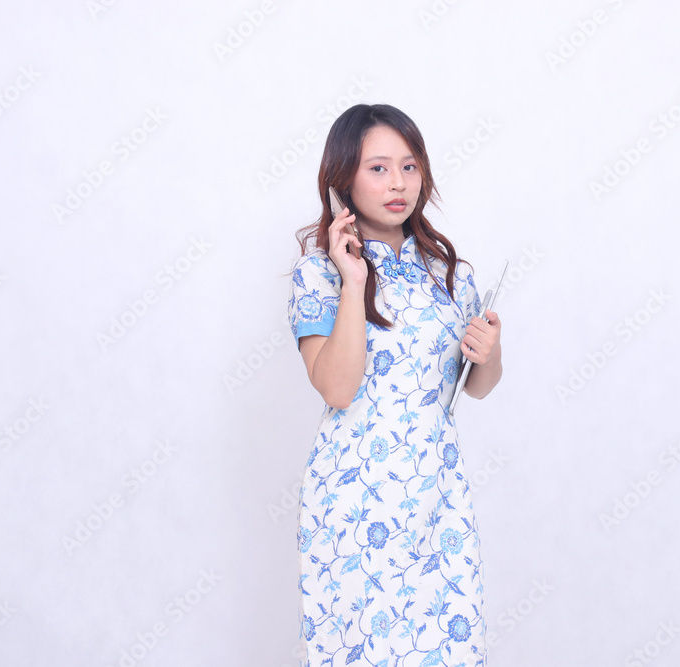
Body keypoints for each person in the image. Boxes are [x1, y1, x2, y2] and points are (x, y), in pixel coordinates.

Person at [287, 103, 502, 666]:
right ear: (343, 180)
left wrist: (490, 355)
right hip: (357, 498)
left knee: (450, 650)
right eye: (378, 168)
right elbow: (336, 389)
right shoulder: (320, 272)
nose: (398, 183)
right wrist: (354, 280)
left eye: (409, 166)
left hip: (439, 493)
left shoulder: (451, 273)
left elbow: (474, 387)